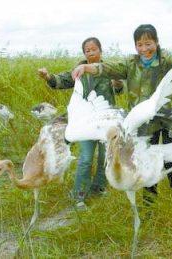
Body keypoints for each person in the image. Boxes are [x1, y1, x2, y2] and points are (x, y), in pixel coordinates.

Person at [71, 24, 172, 208]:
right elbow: (107, 69)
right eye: (139, 44)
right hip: (144, 123)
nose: (144, 49)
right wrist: (85, 68)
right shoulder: (130, 64)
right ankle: (149, 202)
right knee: (147, 159)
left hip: (166, 119)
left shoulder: (164, 59)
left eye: (148, 43)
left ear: (156, 42)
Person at [38, 37, 123, 209]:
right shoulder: (79, 70)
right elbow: (61, 81)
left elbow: (119, 90)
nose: (91, 53)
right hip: (85, 122)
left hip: (105, 122)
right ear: (85, 53)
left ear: (101, 50)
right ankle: (80, 195)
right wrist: (48, 77)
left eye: (94, 49)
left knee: (104, 157)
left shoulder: (108, 71)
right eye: (88, 50)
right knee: (85, 157)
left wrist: (118, 83)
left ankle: (99, 187)